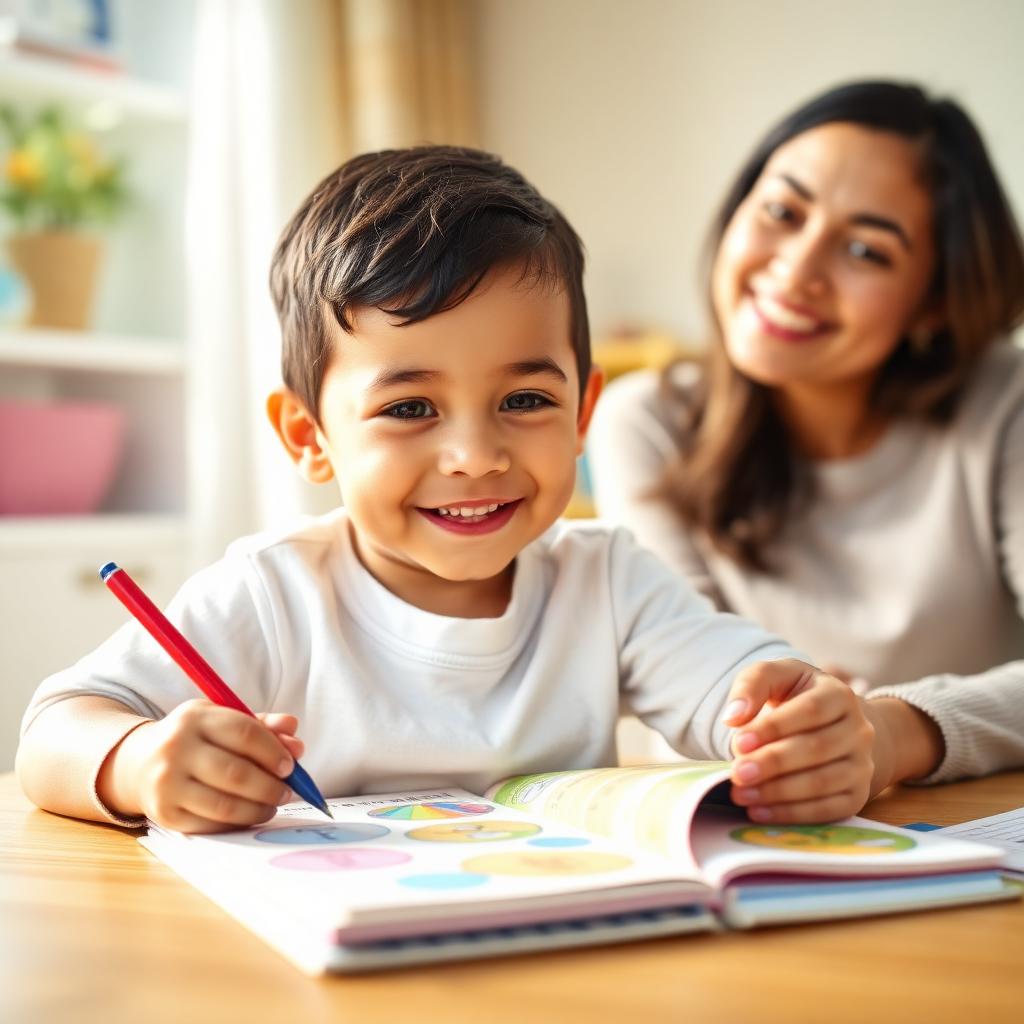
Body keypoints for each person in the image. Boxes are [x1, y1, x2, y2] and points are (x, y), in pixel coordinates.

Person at [18, 146, 883, 835]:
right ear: (309, 438)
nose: (473, 455)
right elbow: (53, 728)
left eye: (524, 400)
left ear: (582, 412)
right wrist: (138, 761)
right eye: (409, 407)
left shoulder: (608, 580)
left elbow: (739, 691)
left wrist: (803, 728)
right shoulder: (273, 593)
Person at [588, 81, 1024, 788]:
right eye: (783, 212)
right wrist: (801, 728)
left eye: (865, 251)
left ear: (935, 301)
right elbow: (678, 686)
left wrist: (888, 731)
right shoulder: (645, 421)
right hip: (771, 830)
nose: (796, 270)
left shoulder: (1006, 405)